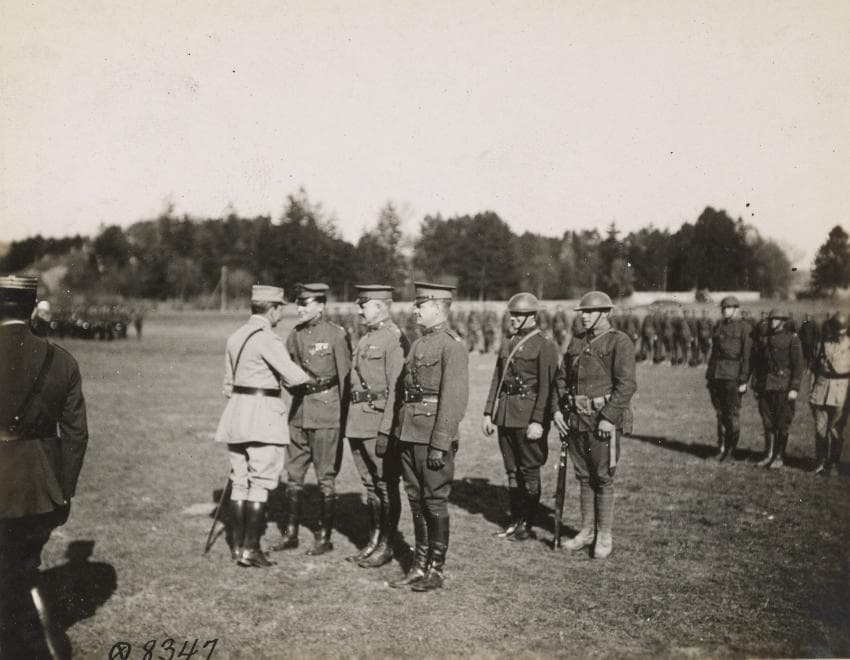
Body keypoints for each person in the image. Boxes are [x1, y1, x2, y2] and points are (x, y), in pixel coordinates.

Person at [1, 275, 89, 657]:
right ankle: (49, 646)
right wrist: (63, 491)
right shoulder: (62, 360)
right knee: (23, 567)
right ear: (33, 308)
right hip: (41, 491)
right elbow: (76, 435)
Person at [213, 285, 311, 568]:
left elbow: (228, 385)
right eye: (280, 308)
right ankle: (251, 549)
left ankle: (237, 547)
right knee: (260, 482)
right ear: (272, 309)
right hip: (263, 417)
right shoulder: (268, 339)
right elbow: (295, 377)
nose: (281, 313)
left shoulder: (235, 336)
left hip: (236, 416)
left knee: (239, 482)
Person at [389, 282, 468, 592]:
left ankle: (436, 569)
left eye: (420, 305)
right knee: (415, 499)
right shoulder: (420, 344)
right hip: (409, 433)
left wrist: (440, 443)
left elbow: (453, 399)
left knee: (434, 501)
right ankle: (418, 565)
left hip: (432, 436)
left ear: (437, 307)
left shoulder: (452, 346)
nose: (415, 310)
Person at [551, 291, 636, 559]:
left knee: (603, 477)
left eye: (590, 312)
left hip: (601, 422)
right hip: (576, 421)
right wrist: (556, 411)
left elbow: (626, 385)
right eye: (583, 312)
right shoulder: (577, 341)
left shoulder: (619, 342)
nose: (584, 317)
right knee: (584, 476)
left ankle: (604, 534)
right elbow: (561, 379)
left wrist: (609, 418)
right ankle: (587, 531)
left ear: (605, 313)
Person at [274, 283, 351, 556]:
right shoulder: (295, 335)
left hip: (327, 414)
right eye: (298, 303)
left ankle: (324, 537)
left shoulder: (336, 335)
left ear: (321, 306)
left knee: (325, 477)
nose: (300, 309)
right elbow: (286, 371)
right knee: (293, 475)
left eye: (305, 304)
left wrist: (343, 421)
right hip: (299, 413)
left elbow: (345, 380)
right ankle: (291, 534)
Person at [482, 292, 559, 541]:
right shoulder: (508, 342)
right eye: (512, 314)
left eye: (518, 315)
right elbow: (497, 379)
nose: (513, 319)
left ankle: (527, 523)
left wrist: (538, 421)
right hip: (505, 414)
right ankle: (515, 520)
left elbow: (547, 388)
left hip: (528, 418)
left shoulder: (544, 344)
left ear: (531, 317)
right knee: (512, 471)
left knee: (529, 471)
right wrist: (488, 412)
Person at [344, 285, 408, 568]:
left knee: (385, 484)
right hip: (358, 421)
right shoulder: (367, 337)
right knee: (370, 485)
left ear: (381, 306)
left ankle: (387, 545)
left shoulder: (394, 339)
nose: (359, 310)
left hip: (378, 422)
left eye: (364, 305)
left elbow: (397, 389)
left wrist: (386, 430)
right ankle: (373, 540)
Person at [750, 309, 803, 469]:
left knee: (781, 422)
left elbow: (798, 366)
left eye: (776, 319)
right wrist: (756, 385)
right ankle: (768, 454)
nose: (772, 322)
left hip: (783, 385)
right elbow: (758, 364)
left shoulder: (792, 339)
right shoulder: (765, 339)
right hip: (766, 385)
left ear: (783, 321)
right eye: (771, 319)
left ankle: (779, 456)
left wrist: (794, 388)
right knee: (767, 422)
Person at [705, 296, 752, 461]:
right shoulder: (719, 326)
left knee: (732, 414)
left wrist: (743, 380)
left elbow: (747, 356)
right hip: (717, 375)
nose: (725, 311)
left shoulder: (744, 328)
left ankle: (731, 451)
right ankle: (721, 447)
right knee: (720, 413)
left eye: (729, 308)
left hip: (733, 376)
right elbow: (714, 353)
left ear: (736, 309)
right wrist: (709, 376)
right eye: (723, 308)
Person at [809, 313, 850, 476]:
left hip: (841, 392)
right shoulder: (822, 345)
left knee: (835, 430)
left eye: (842, 329)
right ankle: (820, 461)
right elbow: (813, 369)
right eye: (836, 329)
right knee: (820, 429)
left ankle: (833, 463)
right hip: (821, 390)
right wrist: (811, 391)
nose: (839, 332)